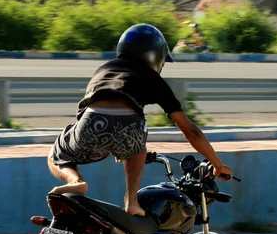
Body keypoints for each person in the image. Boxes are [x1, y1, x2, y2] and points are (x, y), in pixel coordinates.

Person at [48, 23, 233, 217]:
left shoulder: (104, 69)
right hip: (130, 131)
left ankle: (75, 182)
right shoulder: (154, 79)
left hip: (91, 124)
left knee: (55, 154)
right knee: (138, 145)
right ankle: (132, 202)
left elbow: (85, 114)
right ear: (156, 54)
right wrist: (218, 164)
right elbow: (190, 131)